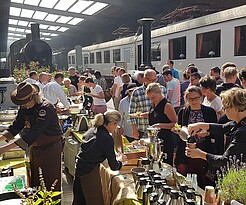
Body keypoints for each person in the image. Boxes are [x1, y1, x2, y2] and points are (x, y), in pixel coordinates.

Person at [0, 82, 63, 191]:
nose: (22, 105)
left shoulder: (45, 108)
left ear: (33, 98)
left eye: (24, 102)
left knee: (49, 181)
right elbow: (16, 126)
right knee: (36, 179)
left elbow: (33, 133)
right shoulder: (24, 108)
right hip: (35, 148)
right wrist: (1, 138)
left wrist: (3, 149)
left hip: (50, 148)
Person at [72, 110, 127, 205]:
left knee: (79, 200)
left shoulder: (91, 131)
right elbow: (113, 166)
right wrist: (121, 161)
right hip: (89, 172)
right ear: (111, 123)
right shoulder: (107, 138)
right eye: (116, 125)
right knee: (94, 201)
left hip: (79, 167)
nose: (116, 128)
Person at [186, 88, 246, 169]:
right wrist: (200, 125)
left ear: (235, 108)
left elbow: (225, 161)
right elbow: (222, 128)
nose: (224, 111)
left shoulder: (242, 132)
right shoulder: (239, 122)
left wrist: (200, 154)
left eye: (225, 108)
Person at [174, 86, 218, 188]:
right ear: (186, 99)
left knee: (203, 177)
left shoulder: (209, 111)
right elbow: (180, 128)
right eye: (190, 99)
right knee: (186, 176)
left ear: (201, 97)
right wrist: (179, 131)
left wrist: (207, 133)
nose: (194, 101)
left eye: (196, 98)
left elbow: (216, 131)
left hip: (203, 148)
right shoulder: (183, 112)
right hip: (187, 149)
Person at [129, 69, 167, 139]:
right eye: (151, 80)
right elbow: (132, 113)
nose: (153, 82)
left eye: (155, 80)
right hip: (143, 129)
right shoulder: (137, 92)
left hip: (159, 130)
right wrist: (134, 130)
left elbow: (165, 108)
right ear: (144, 79)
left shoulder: (162, 89)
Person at [146, 83, 177, 165]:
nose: (152, 100)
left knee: (164, 164)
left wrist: (160, 125)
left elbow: (176, 124)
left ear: (159, 93)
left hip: (165, 141)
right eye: (150, 98)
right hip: (155, 140)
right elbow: (156, 114)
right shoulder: (154, 104)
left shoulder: (167, 106)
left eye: (153, 97)